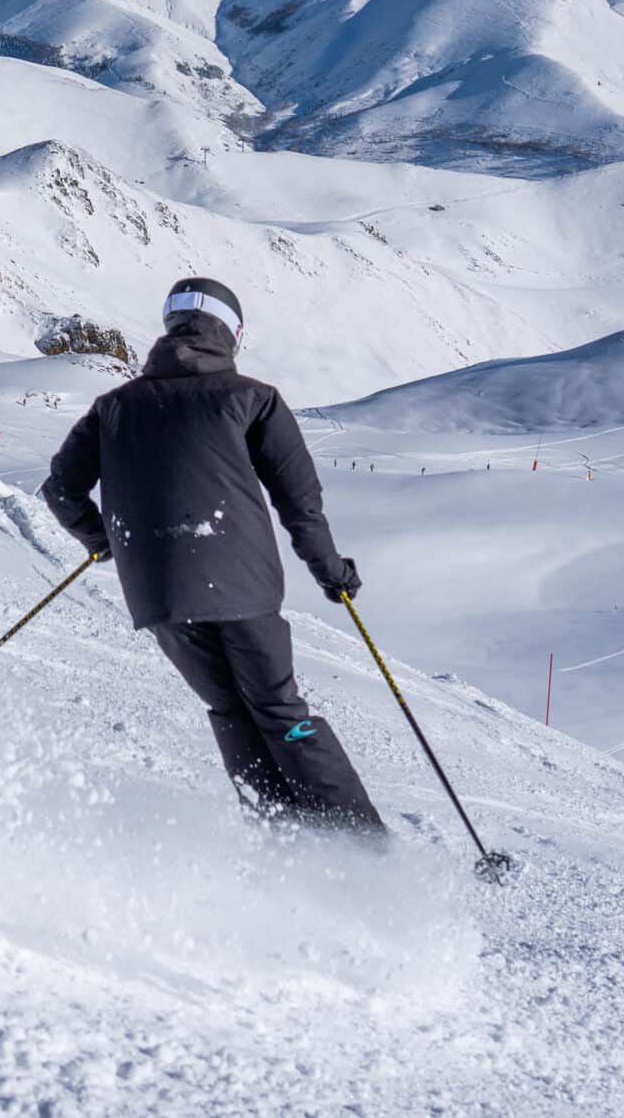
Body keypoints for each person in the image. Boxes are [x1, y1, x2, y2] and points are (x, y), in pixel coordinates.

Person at [41, 276, 384, 834]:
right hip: (242, 587)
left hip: (158, 597)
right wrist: (332, 573)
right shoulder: (251, 398)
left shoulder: (113, 407)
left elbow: (61, 490)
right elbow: (300, 504)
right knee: (277, 710)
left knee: (230, 711)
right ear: (233, 334)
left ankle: (284, 840)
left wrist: (103, 543)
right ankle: (360, 848)